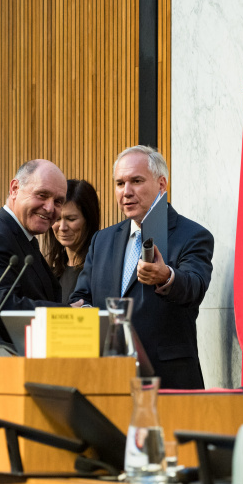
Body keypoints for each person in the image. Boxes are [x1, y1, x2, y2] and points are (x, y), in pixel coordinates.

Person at [71, 146, 214, 389]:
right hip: (110, 378)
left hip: (168, 380)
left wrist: (166, 276)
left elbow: (194, 286)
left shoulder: (193, 235)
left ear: (161, 184)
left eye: (136, 181)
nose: (126, 192)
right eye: (119, 183)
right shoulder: (101, 240)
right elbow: (81, 296)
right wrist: (86, 312)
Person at [0, 159, 69, 311]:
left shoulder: (20, 235)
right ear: (15, 189)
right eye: (42, 195)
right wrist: (67, 314)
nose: (49, 208)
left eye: (58, 201)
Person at [43, 179, 100, 302]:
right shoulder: (52, 272)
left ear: (89, 220)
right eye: (57, 219)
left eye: (71, 219)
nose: (62, 227)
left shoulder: (99, 270)